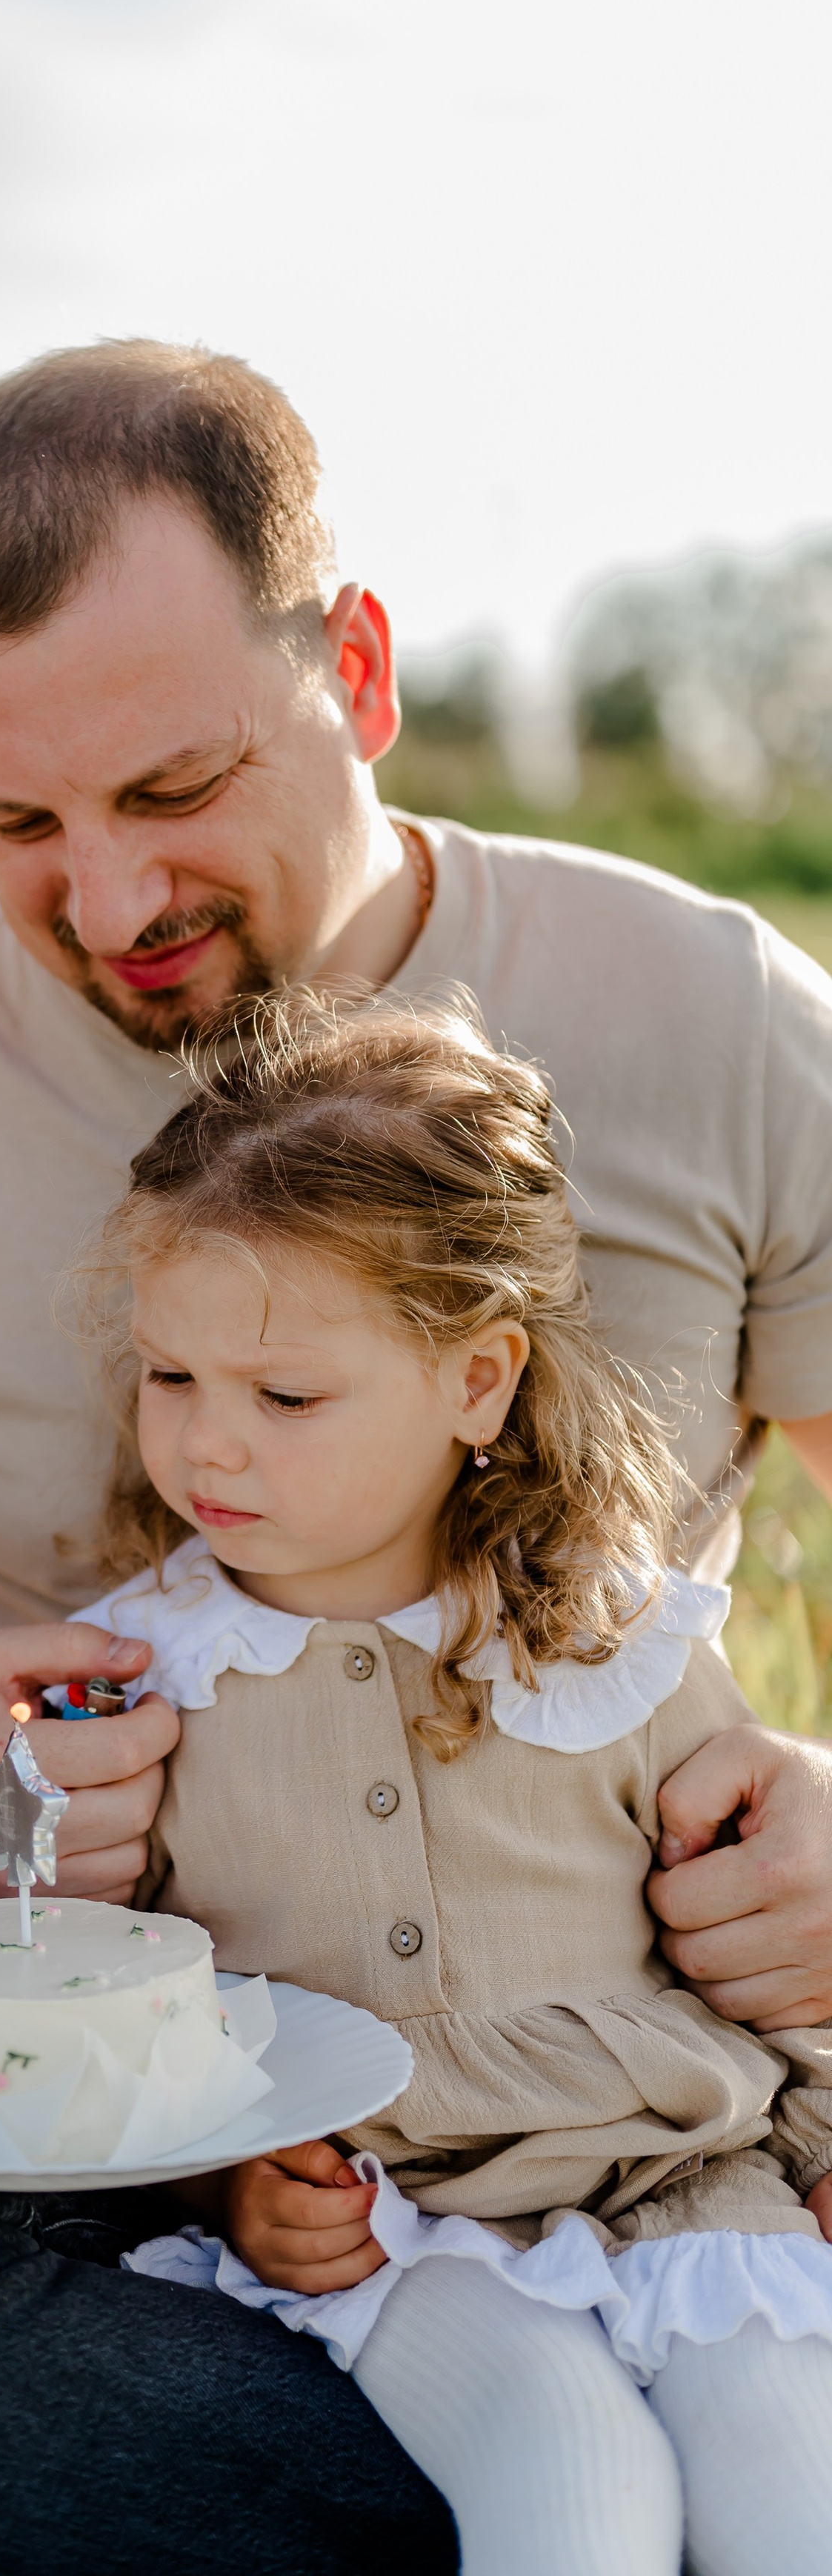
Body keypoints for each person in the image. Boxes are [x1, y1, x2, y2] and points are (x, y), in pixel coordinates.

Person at [0, 341, 832, 2570]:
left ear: (353, 670)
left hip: (645, 2082)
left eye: (175, 785)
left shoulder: (718, 1012)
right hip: (167, 2142)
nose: (103, 899)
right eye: (18, 826)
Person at [86, 995, 832, 2576]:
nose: (207, 1447)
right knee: (573, 2489)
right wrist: (226, 2180)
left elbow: (767, 1933)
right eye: (168, 1378)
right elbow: (111, 2008)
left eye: (282, 1397)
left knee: (792, 2493)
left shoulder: (617, 1643)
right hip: (395, 2220)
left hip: (688, 2172)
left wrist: (826, 2146)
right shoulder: (147, 1678)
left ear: (475, 1381)